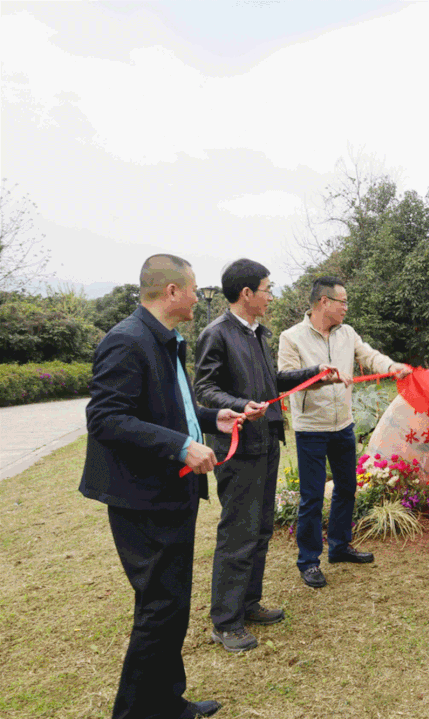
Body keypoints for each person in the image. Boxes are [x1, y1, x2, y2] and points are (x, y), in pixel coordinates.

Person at [80, 254, 246, 719]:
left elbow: (169, 406)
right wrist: (180, 447)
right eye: (193, 289)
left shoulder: (165, 340)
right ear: (172, 292)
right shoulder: (126, 341)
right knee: (158, 609)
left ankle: (167, 702)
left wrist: (213, 418)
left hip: (171, 493)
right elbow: (106, 418)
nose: (198, 297)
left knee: (172, 605)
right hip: (143, 498)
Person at [193, 259, 337, 652]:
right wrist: (239, 404)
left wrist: (312, 373)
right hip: (238, 447)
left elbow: (269, 382)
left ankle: (249, 603)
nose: (271, 295)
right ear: (247, 294)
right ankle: (225, 621)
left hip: (266, 441)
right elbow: (203, 389)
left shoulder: (257, 334)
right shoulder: (217, 334)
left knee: (260, 528)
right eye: (267, 289)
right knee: (238, 531)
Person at [278, 276, 411, 588]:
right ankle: (309, 561)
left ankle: (339, 546)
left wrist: (391, 366)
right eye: (343, 302)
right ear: (324, 302)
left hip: (343, 426)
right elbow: (287, 378)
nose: (346, 308)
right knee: (311, 497)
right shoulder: (292, 337)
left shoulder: (347, 333)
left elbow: (368, 354)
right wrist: (322, 377)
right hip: (311, 428)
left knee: (347, 488)